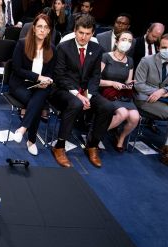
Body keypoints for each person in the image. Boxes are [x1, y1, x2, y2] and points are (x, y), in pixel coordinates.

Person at [49, 14, 114, 168]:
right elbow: (59, 76)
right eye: (81, 33)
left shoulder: (97, 49)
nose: (84, 37)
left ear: (92, 34)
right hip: (63, 90)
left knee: (107, 107)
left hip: (86, 91)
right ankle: (59, 146)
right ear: (75, 31)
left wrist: (88, 96)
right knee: (76, 104)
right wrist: (79, 96)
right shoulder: (63, 47)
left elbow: (95, 76)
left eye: (87, 34)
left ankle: (92, 145)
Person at [9, 14, 56, 156]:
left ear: (49, 31)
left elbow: (52, 73)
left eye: (46, 27)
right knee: (38, 103)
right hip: (20, 84)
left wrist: (47, 80)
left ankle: (22, 129)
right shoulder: (22, 44)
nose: (42, 30)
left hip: (40, 88)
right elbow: (17, 69)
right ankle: (31, 140)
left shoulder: (52, 49)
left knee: (40, 95)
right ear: (34, 29)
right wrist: (38, 77)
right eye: (40, 26)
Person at [99, 31, 139, 152]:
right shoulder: (105, 57)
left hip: (122, 94)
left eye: (129, 41)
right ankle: (97, 134)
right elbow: (96, 80)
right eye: (124, 39)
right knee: (123, 114)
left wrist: (131, 84)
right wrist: (112, 83)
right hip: (106, 91)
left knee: (135, 117)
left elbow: (127, 82)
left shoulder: (130, 61)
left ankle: (120, 138)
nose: (126, 43)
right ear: (116, 42)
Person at [134, 33, 168, 166]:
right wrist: (157, 92)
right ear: (159, 47)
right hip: (144, 99)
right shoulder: (146, 61)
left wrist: (164, 90)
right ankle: (167, 149)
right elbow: (138, 84)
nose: (167, 50)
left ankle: (167, 147)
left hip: (163, 99)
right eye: (164, 47)